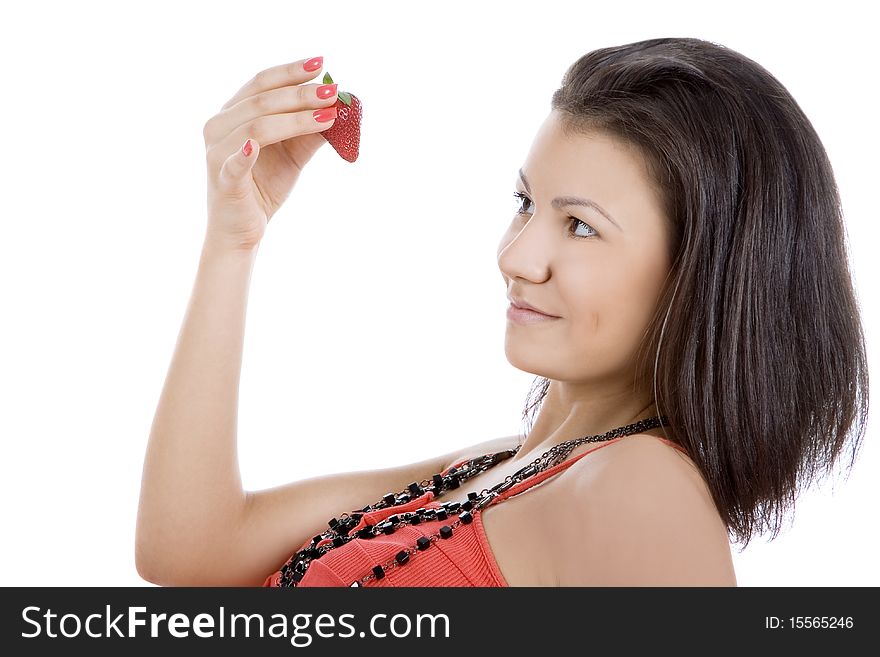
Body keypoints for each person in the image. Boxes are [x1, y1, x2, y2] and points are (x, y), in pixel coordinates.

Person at [135, 38, 868, 587]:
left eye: (579, 225)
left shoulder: (637, 491)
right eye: (525, 203)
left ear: (702, 276)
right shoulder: (499, 468)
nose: (515, 256)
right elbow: (187, 549)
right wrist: (234, 240)